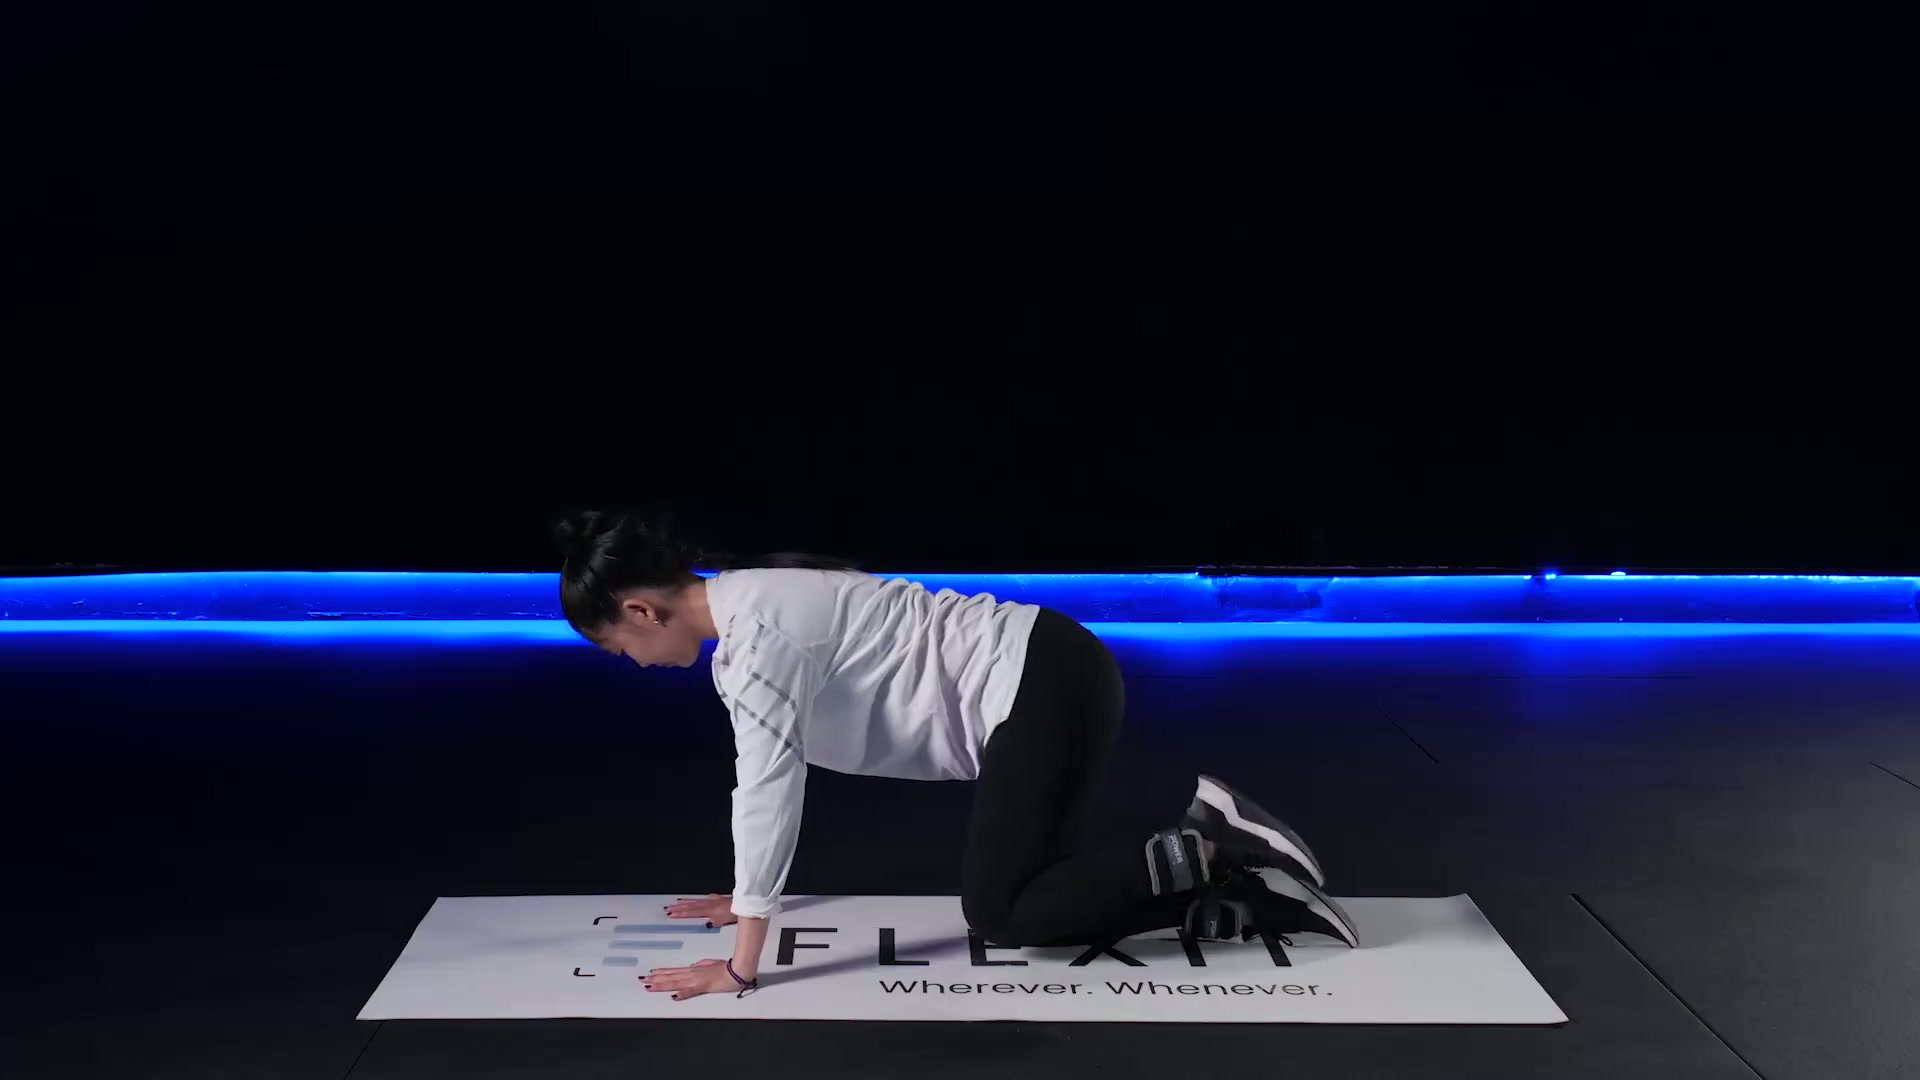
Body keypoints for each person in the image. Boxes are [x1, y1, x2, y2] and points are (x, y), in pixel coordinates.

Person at [553, 510, 1357, 1003]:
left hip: (1039, 688)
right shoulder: (752, 595)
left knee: (1004, 913)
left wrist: (741, 966)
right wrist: (745, 895)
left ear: (641, 609)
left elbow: (768, 790)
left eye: (618, 647)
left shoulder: (755, 641)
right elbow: (768, 777)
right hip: (1059, 669)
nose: (632, 662)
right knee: (1046, 894)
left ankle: (1212, 844)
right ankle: (1239, 887)